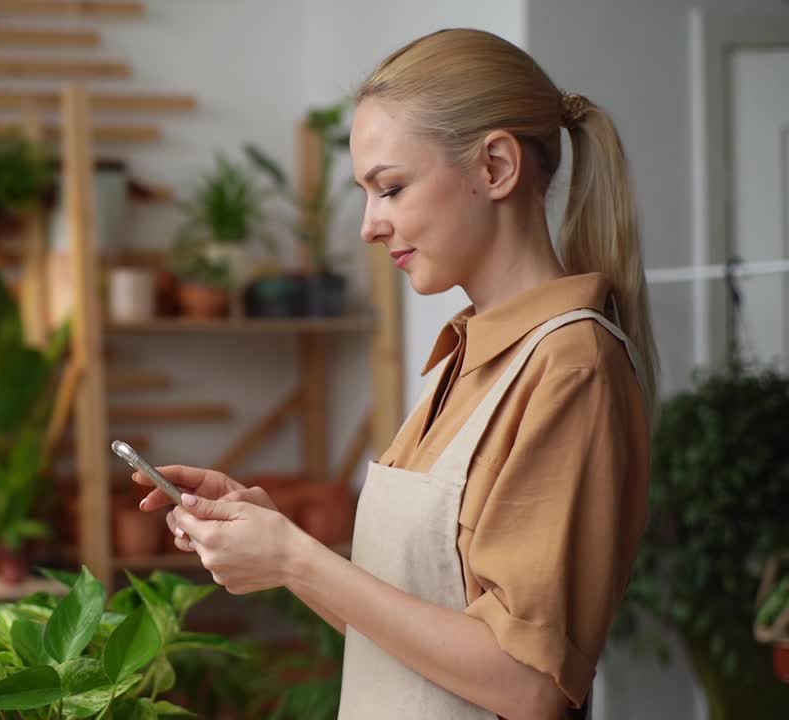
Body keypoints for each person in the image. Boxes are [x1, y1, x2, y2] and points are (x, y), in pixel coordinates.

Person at [131, 28, 657, 720]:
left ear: (496, 167)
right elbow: (410, 637)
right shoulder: (466, 356)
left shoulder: (571, 365)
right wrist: (278, 539)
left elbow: (529, 685)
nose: (369, 227)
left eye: (391, 188)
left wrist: (296, 560)